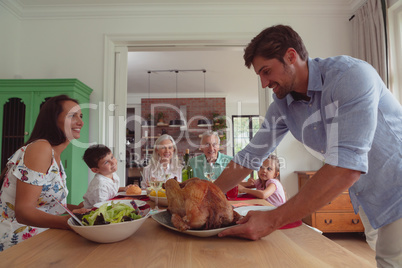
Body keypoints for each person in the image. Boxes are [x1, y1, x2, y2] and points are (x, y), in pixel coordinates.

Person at [214, 25, 402, 267]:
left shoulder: (351, 76)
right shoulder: (283, 105)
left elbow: (347, 166)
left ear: (291, 56)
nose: (263, 83)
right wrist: (205, 197)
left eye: (266, 71)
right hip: (368, 196)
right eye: (260, 75)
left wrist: (271, 220)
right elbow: (249, 157)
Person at [0, 95, 88, 251]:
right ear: (53, 119)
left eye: (80, 116)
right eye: (72, 115)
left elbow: (48, 204)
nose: (80, 122)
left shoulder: (54, 154)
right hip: (15, 242)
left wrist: (84, 208)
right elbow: (24, 212)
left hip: (41, 235)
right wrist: (69, 222)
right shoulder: (41, 148)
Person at [81, 144, 130, 209]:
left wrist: (124, 189)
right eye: (106, 162)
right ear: (95, 170)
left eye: (112, 157)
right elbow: (102, 208)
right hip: (95, 213)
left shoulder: (112, 174)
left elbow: (112, 190)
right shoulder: (100, 186)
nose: (113, 162)